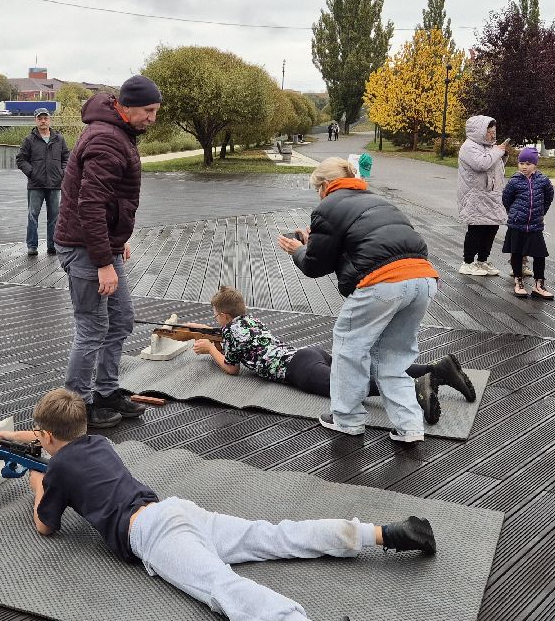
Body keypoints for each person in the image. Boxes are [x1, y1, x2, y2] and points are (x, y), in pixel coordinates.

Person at [0, 387, 437, 621]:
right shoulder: (98, 442)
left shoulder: (56, 470)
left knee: (219, 587)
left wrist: (37, 481)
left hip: (150, 534)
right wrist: (11, 438)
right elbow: (57, 439)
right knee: (273, 535)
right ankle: (384, 533)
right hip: (176, 510)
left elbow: (46, 525)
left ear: (46, 436)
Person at [277, 157, 439, 443]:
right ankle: (410, 427)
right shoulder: (378, 200)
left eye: (317, 189)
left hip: (384, 283)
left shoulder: (328, 206)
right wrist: (316, 241)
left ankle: (347, 419)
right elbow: (368, 245)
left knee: (349, 348)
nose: (318, 195)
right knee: (393, 358)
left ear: (326, 185)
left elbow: (315, 266)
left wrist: (298, 250)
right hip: (423, 280)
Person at [184, 284, 477, 425]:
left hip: (296, 369)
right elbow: (233, 334)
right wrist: (207, 332)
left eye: (215, 315)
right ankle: (436, 368)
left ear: (223, 316)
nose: (215, 319)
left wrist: (210, 349)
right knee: (369, 370)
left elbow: (232, 368)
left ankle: (416, 387)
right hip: (309, 353)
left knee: (351, 387)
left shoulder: (230, 334)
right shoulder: (248, 321)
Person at [54, 74, 162, 431]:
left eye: (156, 111)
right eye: (148, 111)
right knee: (92, 326)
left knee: (121, 320)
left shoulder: (118, 131)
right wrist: (103, 261)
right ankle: (78, 405)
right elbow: (90, 205)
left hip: (99, 244)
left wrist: (116, 239)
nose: (152, 118)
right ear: (126, 107)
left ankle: (105, 392)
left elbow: (108, 201)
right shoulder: (106, 139)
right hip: (84, 248)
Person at [457, 115, 509, 276]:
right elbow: (482, 164)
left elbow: (495, 167)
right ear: (479, 131)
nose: (493, 135)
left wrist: (502, 155)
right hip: (476, 196)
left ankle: (482, 261)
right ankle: (467, 263)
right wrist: (498, 151)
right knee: (476, 229)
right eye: (489, 132)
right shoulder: (469, 146)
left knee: (491, 228)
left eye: (494, 131)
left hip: (492, 195)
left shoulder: (490, 147)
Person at [501, 146, 555, 299]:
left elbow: (548, 197)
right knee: (517, 253)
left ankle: (539, 285)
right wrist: (514, 213)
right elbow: (506, 199)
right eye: (521, 163)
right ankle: (518, 282)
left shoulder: (543, 180)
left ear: (535, 165)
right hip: (517, 224)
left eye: (528, 164)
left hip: (535, 225)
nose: (524, 167)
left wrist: (541, 213)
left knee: (539, 254)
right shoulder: (514, 181)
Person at [15, 108, 70, 257]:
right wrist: (32, 173)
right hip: (35, 185)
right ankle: (32, 246)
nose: (43, 121)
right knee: (33, 216)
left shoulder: (59, 139)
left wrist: (62, 172)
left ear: (49, 120)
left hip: (54, 184)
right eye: (40, 119)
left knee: (54, 217)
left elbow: (67, 157)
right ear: (36, 120)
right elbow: (21, 159)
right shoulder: (29, 140)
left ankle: (52, 245)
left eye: (45, 118)